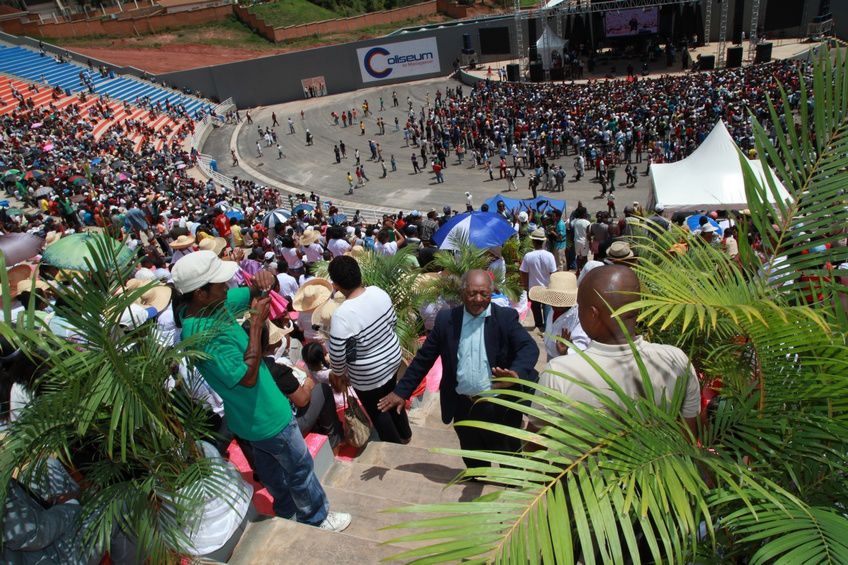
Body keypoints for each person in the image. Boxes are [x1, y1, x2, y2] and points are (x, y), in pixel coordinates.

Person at [172, 251, 350, 532]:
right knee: (300, 468)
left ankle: (287, 510)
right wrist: (256, 325)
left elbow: (253, 291)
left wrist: (263, 281)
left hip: (249, 419)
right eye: (219, 284)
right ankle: (316, 517)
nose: (226, 287)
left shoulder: (206, 305)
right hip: (267, 418)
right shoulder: (202, 336)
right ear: (201, 293)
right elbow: (247, 378)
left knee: (271, 472)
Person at [378, 270, 539, 468]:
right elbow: (424, 359)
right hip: (464, 407)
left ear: (491, 292)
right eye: (472, 293)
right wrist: (401, 391)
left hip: (499, 406)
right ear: (463, 293)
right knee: (473, 459)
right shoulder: (447, 320)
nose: (478, 299)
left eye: (484, 294)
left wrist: (515, 373)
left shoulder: (505, 317)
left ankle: (514, 491)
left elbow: (529, 347)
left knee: (509, 457)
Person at [528, 265, 700, 436]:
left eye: (580, 307)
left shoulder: (559, 373)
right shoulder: (676, 360)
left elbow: (533, 444)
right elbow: (689, 435)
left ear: (593, 314)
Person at [327, 256, 410, 444]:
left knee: (379, 410)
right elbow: (392, 322)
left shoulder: (342, 315)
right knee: (393, 396)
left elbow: (338, 357)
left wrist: (339, 374)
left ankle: (395, 446)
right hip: (392, 359)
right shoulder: (378, 292)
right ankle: (406, 435)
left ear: (336, 285)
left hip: (369, 375)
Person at [529, 271, 590, 362]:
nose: (555, 304)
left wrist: (565, 352)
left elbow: (582, 345)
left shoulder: (579, 315)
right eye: (553, 299)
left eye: (558, 300)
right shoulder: (553, 309)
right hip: (551, 354)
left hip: (567, 361)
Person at [520, 228, 557, 332]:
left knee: (536, 309)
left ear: (533, 241)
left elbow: (523, 272)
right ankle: (546, 328)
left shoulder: (528, 256)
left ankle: (539, 325)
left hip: (533, 288)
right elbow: (553, 273)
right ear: (543, 241)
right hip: (547, 288)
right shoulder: (549, 256)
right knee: (547, 310)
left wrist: (526, 286)